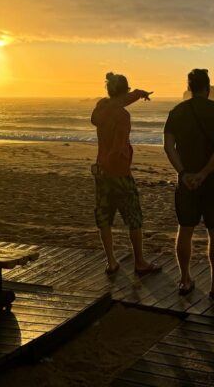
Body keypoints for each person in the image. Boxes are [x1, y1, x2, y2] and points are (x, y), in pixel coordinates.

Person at [163, 69, 214, 298]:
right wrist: (204, 173)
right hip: (213, 180)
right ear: (208, 87)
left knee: (185, 231)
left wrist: (184, 173)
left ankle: (184, 280)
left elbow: (168, 147)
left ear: (189, 87)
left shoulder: (177, 112)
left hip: (186, 182)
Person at [91, 72, 161, 276]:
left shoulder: (101, 107)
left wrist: (139, 93)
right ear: (125, 90)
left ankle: (111, 262)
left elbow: (117, 104)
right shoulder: (123, 116)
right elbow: (118, 147)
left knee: (104, 216)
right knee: (134, 217)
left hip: (101, 172)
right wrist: (113, 162)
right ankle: (139, 262)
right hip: (119, 172)